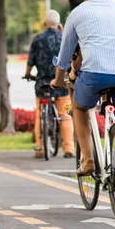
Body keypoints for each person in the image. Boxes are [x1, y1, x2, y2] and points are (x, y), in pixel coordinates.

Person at [51, 0, 115, 190]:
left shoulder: (77, 13)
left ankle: (88, 160)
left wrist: (58, 80)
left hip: (93, 75)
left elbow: (64, 56)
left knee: (80, 108)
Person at [25, 10, 75, 159]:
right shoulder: (64, 39)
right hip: (61, 85)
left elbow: (30, 62)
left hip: (42, 85)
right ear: (59, 25)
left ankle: (40, 147)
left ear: (45, 24)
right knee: (65, 116)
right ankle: (68, 149)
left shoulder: (37, 40)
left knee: (40, 115)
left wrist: (28, 74)